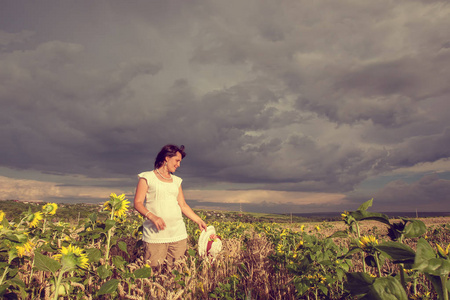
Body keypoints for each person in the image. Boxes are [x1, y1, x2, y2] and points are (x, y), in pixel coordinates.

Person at [134, 144, 207, 268]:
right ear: (167, 158)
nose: (179, 165)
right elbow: (138, 203)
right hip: (155, 235)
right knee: (152, 274)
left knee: (175, 275)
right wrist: (153, 217)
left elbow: (183, 205)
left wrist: (198, 220)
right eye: (177, 160)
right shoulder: (147, 177)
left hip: (178, 235)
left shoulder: (177, 181)